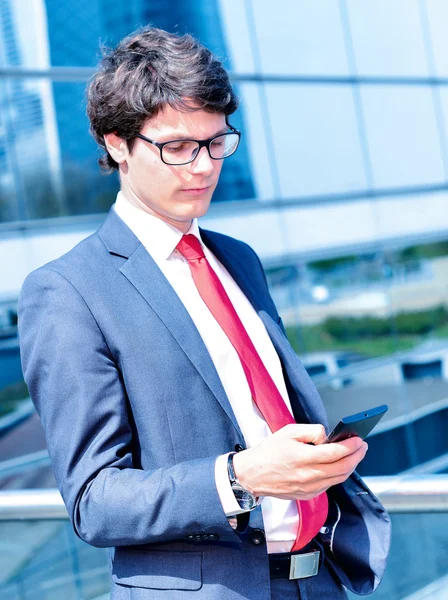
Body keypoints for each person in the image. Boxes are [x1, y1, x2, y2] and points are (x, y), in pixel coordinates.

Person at [18, 26, 390, 600]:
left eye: (217, 142)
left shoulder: (238, 259)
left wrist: (320, 459)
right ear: (117, 143)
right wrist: (239, 479)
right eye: (177, 147)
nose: (203, 166)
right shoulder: (67, 292)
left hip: (318, 581)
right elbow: (93, 500)